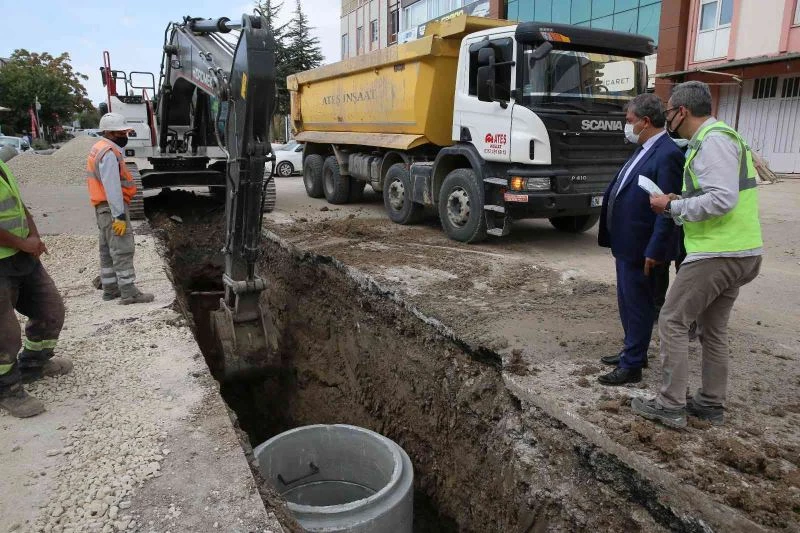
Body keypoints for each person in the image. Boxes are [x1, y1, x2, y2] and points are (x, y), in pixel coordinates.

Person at [632, 81, 763, 428]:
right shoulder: (720, 137)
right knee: (712, 329)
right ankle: (709, 402)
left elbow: (722, 199)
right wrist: (681, 199)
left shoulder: (713, 141)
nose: (667, 115)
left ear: (682, 112)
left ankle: (670, 403)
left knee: (673, 320)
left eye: (670, 110)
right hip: (740, 250)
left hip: (718, 252)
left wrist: (672, 206)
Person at [597, 93, 684, 385]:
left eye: (630, 121)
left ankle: (631, 365)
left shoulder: (668, 153)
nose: (627, 125)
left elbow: (667, 208)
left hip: (643, 246)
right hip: (626, 242)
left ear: (646, 121)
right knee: (628, 301)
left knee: (637, 302)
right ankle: (634, 350)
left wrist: (656, 249)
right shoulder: (644, 147)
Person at [0, 149, 70, 418]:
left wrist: (34, 234)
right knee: (4, 333)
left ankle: (33, 364)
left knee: (51, 310)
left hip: (21, 257)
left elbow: (18, 205)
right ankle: (7, 388)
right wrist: (22, 242)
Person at [87, 113, 154, 305]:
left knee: (107, 250)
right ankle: (129, 293)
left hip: (102, 208)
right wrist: (119, 216)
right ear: (109, 132)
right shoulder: (108, 153)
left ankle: (110, 289)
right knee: (123, 249)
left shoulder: (99, 148)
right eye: (121, 133)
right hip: (111, 209)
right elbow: (113, 187)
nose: (125, 135)